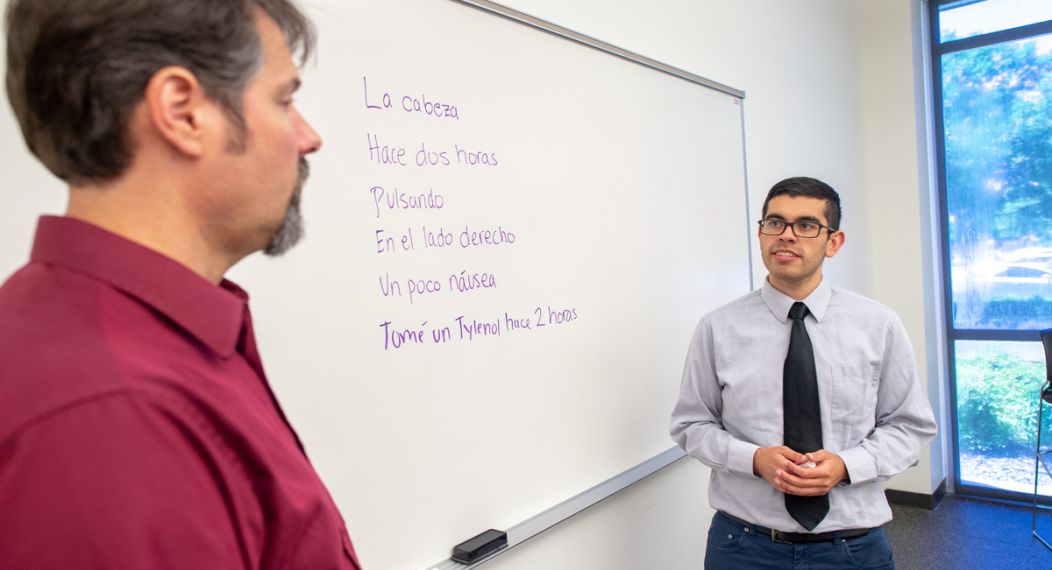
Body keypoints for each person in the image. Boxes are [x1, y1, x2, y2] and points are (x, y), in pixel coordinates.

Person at [0, 1, 362, 568]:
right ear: (183, 112)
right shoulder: (112, 420)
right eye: (284, 100)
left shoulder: (150, 346)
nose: (309, 137)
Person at [670, 177, 937, 569]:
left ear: (833, 242)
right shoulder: (717, 327)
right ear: (760, 235)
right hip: (743, 546)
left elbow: (910, 427)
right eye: (774, 223)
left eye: (806, 225)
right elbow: (691, 424)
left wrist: (847, 466)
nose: (787, 236)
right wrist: (754, 458)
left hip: (852, 546)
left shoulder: (878, 325)